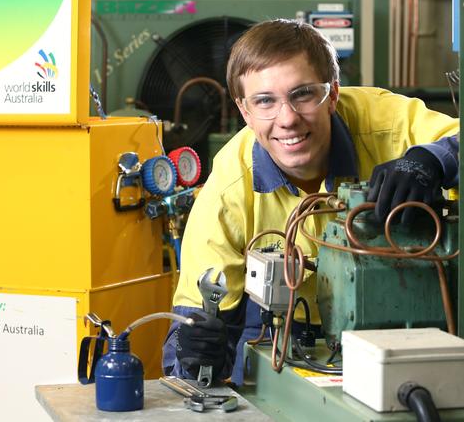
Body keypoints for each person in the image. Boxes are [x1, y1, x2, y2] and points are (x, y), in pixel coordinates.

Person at [162, 19, 459, 385]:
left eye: (303, 94)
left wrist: (435, 159)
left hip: (406, 320)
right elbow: (193, 323)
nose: (287, 119)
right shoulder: (229, 187)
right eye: (265, 101)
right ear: (245, 111)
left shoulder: (388, 123)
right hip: (281, 332)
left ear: (332, 94)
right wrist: (196, 353)